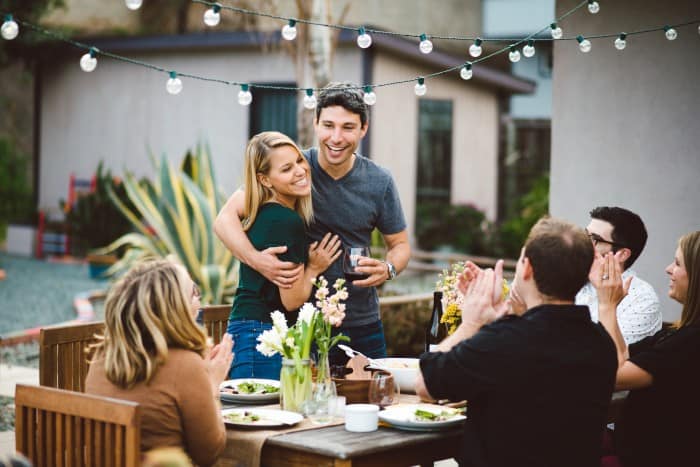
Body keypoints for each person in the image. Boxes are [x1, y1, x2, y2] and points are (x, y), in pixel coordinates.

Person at [214, 83, 410, 365]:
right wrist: (259, 261)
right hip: (302, 326)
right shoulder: (293, 168)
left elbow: (400, 244)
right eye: (328, 125)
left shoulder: (379, 181)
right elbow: (224, 220)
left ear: (363, 129)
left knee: (373, 401)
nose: (336, 137)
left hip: (362, 322)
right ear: (316, 124)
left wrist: (388, 268)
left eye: (348, 127)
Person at [416, 217, 617, 467]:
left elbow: (425, 384)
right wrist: (501, 320)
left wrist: (471, 323)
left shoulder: (504, 340)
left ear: (527, 268)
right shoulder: (601, 344)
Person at [85, 259, 232, 467]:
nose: (199, 300)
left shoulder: (103, 356)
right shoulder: (186, 365)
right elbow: (209, 453)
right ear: (175, 309)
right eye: (194, 293)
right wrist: (212, 385)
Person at [227, 131, 340, 379]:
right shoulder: (285, 221)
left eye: (299, 161)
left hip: (246, 330)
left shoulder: (263, 213)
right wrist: (313, 268)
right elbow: (291, 300)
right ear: (265, 180)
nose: (300, 171)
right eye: (287, 169)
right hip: (261, 336)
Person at [594, 230, 700, 467]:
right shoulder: (675, 333)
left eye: (678, 263)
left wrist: (607, 306)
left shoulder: (692, 343)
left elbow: (614, 376)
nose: (668, 269)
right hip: (623, 444)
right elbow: (623, 357)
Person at [576, 206, 661, 344]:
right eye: (585, 235)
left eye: (594, 239)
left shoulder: (642, 299)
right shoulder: (571, 279)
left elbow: (607, 356)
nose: (583, 243)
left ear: (621, 254)